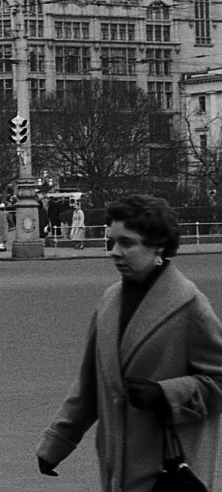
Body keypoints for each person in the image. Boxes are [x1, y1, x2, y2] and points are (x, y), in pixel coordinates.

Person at [36, 194, 222, 491]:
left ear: (158, 246)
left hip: (168, 474)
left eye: (127, 243)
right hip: (116, 469)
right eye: (111, 242)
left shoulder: (189, 306)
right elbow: (89, 386)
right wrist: (56, 443)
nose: (114, 252)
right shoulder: (110, 300)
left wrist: (167, 394)